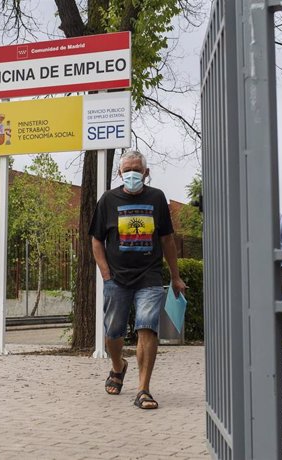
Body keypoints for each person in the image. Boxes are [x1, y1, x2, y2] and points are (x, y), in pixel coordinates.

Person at [90, 149, 187, 410]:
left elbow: (167, 239)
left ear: (146, 172)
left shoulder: (157, 198)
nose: (132, 174)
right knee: (113, 332)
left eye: (137, 169)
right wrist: (106, 274)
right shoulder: (108, 200)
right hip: (117, 279)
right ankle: (118, 365)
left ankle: (143, 389)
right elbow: (97, 240)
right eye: (127, 170)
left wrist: (175, 277)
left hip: (150, 276)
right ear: (120, 172)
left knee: (147, 327)